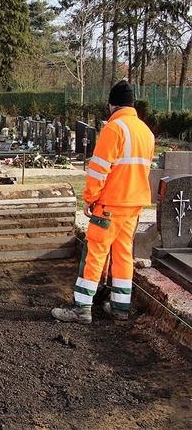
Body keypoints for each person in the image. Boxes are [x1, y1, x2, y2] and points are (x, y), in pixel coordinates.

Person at [52, 80, 155, 324]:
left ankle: (81, 308)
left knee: (95, 253)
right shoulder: (146, 132)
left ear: (112, 104)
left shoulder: (114, 129)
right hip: (134, 205)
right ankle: (120, 307)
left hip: (110, 205)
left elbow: (99, 170)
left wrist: (90, 199)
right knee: (122, 255)